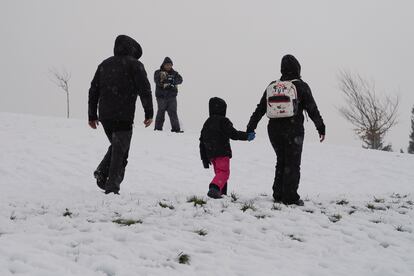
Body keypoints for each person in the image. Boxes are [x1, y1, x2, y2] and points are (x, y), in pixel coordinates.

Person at [246, 54, 325, 206]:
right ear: (297, 68)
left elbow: (261, 108)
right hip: (293, 128)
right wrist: (320, 127)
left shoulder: (273, 85)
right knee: (293, 162)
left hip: (274, 129)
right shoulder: (301, 86)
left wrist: (251, 126)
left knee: (281, 160)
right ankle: (290, 196)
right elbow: (312, 109)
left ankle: (278, 193)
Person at [88, 35, 154, 194]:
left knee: (117, 146)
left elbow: (93, 90)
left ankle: (102, 172)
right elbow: (144, 90)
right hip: (123, 115)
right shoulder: (135, 65)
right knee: (121, 152)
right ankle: (111, 187)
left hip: (105, 116)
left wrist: (92, 115)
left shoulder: (104, 64)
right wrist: (149, 113)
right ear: (131, 49)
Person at [200, 97, 256, 199]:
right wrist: (246, 136)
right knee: (224, 173)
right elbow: (233, 134)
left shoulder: (207, 123)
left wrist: (204, 158)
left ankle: (221, 194)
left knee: (219, 173)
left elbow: (201, 141)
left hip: (211, 155)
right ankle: (214, 188)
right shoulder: (223, 121)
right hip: (222, 152)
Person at [154, 57, 183, 132]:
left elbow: (180, 80)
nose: (168, 66)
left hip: (172, 97)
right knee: (161, 111)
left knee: (173, 112)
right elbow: (157, 81)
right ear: (163, 65)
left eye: (170, 65)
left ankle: (176, 129)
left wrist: (172, 81)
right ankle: (158, 129)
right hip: (161, 96)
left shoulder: (175, 73)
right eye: (167, 65)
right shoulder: (157, 72)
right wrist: (166, 81)